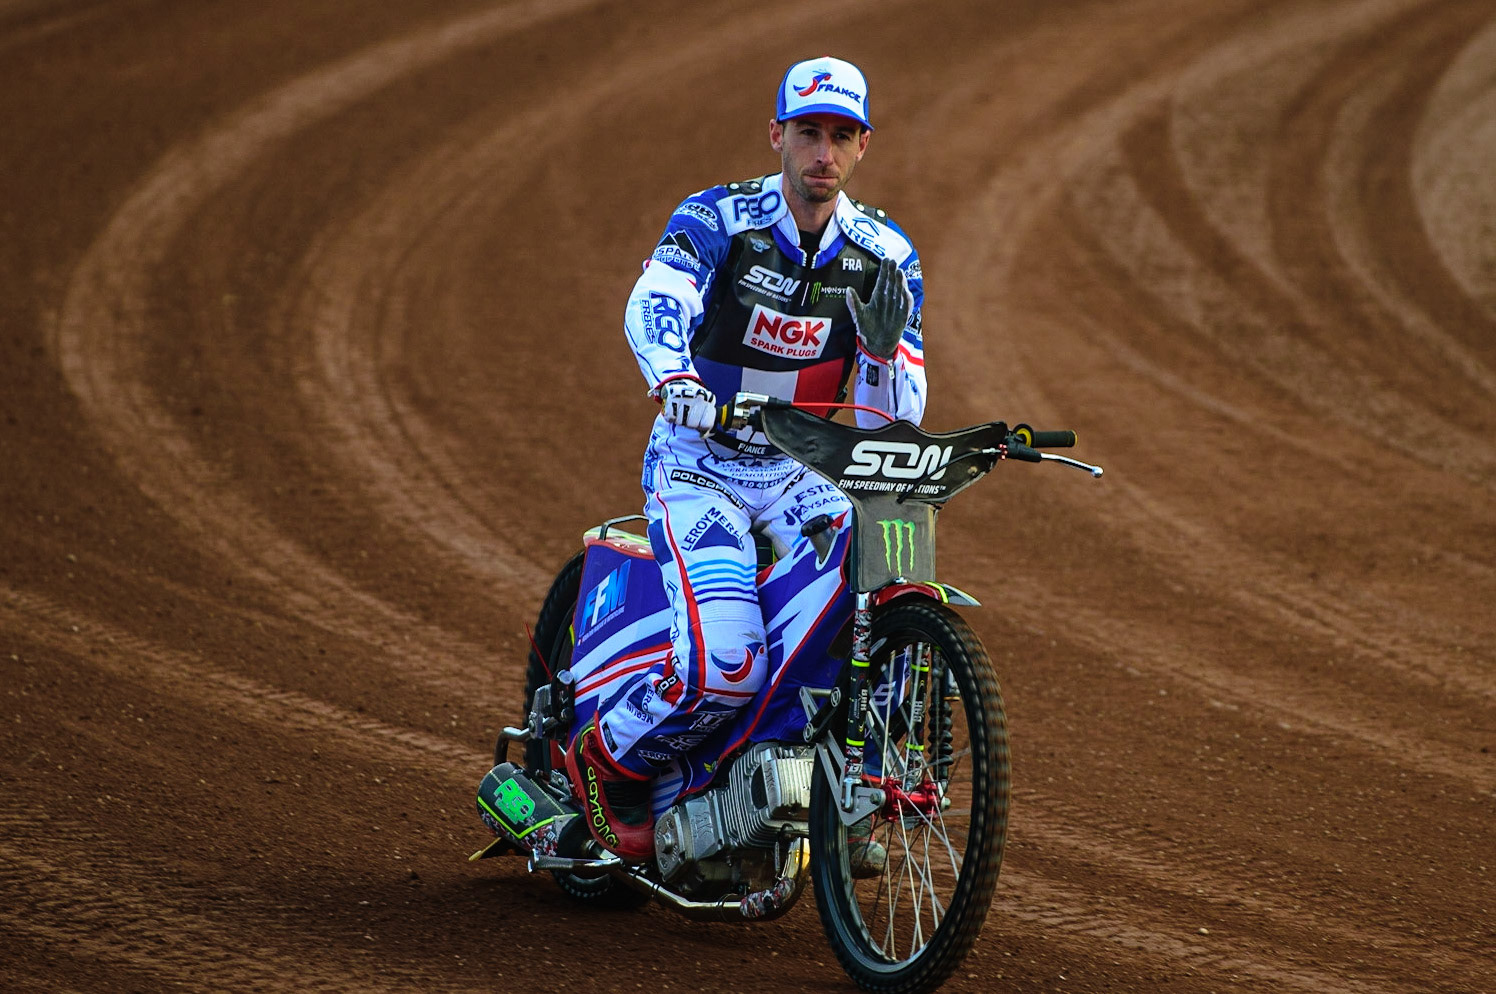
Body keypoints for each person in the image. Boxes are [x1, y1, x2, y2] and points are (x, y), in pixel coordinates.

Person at [566, 56, 927, 862]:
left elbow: (897, 412)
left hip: (802, 472)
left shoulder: (887, 253)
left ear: (864, 146)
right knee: (728, 665)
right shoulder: (715, 218)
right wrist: (675, 377)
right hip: (701, 464)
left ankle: (853, 779)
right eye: (807, 133)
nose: (822, 154)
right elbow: (657, 300)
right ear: (777, 136)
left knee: (883, 580)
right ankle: (601, 756)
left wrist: (881, 357)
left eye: (840, 136)